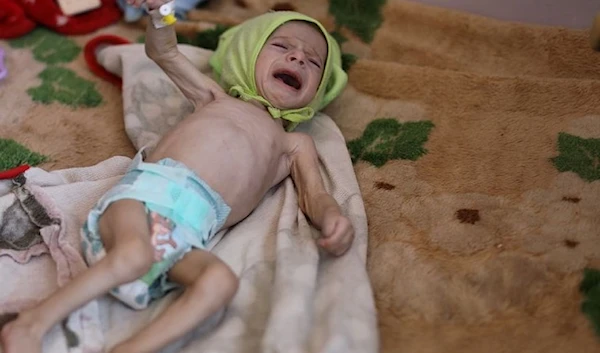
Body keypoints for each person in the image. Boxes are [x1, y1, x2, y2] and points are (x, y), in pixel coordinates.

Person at [1, 1, 353, 352]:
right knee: (134, 255)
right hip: (144, 196)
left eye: (313, 61)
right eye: (282, 46)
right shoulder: (215, 98)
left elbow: (314, 196)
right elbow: (163, 51)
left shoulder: (294, 143)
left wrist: (333, 217)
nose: (298, 59)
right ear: (247, 55)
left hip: (188, 234)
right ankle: (31, 325)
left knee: (220, 282)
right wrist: (161, 13)